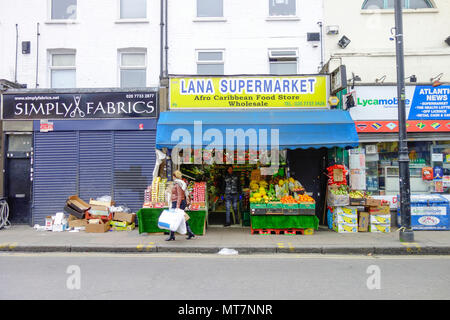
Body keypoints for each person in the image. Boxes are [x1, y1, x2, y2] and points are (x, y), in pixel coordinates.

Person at [165, 170, 195, 241]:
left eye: (173, 176)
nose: (172, 177)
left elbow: (179, 196)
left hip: (178, 203)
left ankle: (172, 235)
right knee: (181, 218)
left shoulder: (178, 184)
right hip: (179, 202)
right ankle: (189, 233)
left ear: (175, 176)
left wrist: (177, 206)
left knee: (174, 218)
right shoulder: (179, 183)